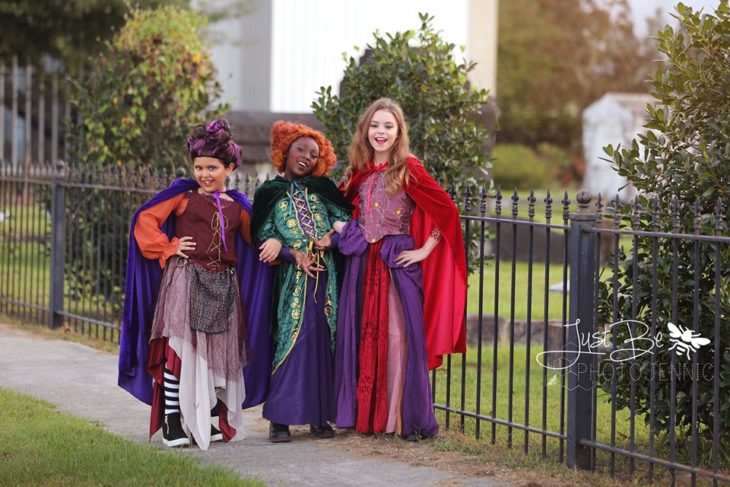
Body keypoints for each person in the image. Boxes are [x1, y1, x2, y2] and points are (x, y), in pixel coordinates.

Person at [117, 119, 272, 450]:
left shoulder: (237, 206)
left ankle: (210, 416)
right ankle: (172, 419)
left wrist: (280, 247)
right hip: (185, 278)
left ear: (229, 167)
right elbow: (145, 221)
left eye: (212, 167)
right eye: (199, 166)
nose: (204, 173)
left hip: (223, 285)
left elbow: (255, 239)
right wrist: (170, 246)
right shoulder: (183, 197)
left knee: (218, 354)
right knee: (179, 348)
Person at [334, 98, 467, 440]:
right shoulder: (358, 173)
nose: (381, 132)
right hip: (363, 263)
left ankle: (397, 417)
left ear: (399, 132)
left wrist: (424, 250)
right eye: (375, 125)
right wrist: (335, 231)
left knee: (398, 337)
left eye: (388, 126)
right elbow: (341, 208)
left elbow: (447, 213)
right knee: (361, 335)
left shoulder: (409, 168)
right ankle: (367, 417)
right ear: (365, 131)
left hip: (396, 261)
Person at [251, 121, 353, 442]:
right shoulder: (269, 192)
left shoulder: (324, 190)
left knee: (323, 343)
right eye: (300, 149)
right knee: (290, 341)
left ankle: (320, 417)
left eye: (313, 153)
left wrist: (331, 240)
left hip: (325, 279)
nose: (307, 157)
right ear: (285, 152)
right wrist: (291, 252)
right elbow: (263, 235)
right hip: (290, 281)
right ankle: (280, 419)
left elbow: (347, 226)